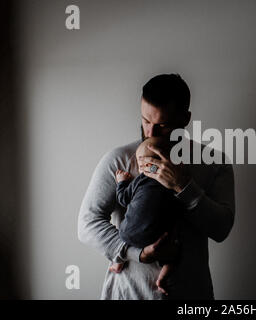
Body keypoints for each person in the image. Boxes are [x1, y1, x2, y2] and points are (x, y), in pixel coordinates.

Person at [78, 73, 235, 299]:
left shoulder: (214, 163)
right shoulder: (119, 160)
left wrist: (183, 186)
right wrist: (139, 254)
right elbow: (87, 224)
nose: (150, 133)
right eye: (145, 121)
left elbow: (221, 229)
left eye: (162, 125)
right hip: (128, 294)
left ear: (185, 119)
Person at [111, 137, 184, 297]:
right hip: (158, 240)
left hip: (127, 233)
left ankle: (118, 262)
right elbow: (180, 209)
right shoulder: (172, 183)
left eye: (139, 161)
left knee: (123, 238)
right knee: (174, 254)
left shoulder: (140, 181)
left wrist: (121, 182)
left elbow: (123, 199)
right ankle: (162, 278)